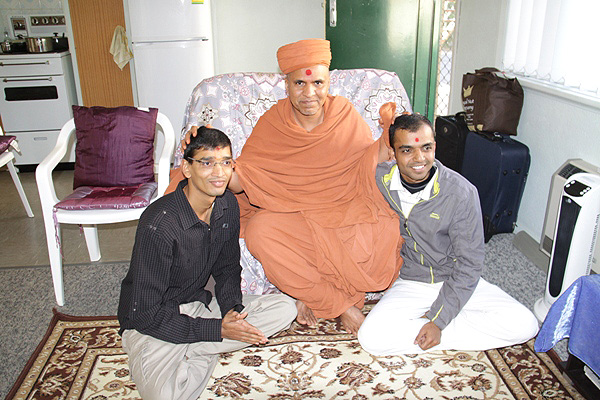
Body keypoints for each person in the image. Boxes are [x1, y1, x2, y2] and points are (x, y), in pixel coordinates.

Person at [182, 39, 403, 335]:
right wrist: (208, 154)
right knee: (261, 232)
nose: (309, 94)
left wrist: (391, 139)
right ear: (286, 84)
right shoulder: (274, 122)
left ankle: (306, 295)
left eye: (318, 83)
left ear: (328, 82)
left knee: (386, 228)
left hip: (343, 208)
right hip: (292, 215)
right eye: (299, 83)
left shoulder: (344, 113)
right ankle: (339, 305)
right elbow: (244, 178)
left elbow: (365, 162)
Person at [117, 127, 297, 400]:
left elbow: (227, 268)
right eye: (207, 163)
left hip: (199, 306)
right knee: (165, 397)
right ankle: (203, 343)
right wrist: (217, 330)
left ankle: (197, 344)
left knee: (284, 309)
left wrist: (232, 310)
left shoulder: (226, 205)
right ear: (187, 169)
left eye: (225, 162)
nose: (219, 172)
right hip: (154, 322)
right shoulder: (159, 223)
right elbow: (144, 314)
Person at [358, 113, 539, 355]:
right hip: (412, 281)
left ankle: (436, 330)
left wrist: (438, 321)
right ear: (393, 152)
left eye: (426, 148)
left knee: (526, 325)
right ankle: (450, 325)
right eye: (407, 150)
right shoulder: (381, 180)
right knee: (370, 339)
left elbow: (470, 263)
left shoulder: (461, 193)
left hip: (454, 278)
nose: (419, 159)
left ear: (435, 146)